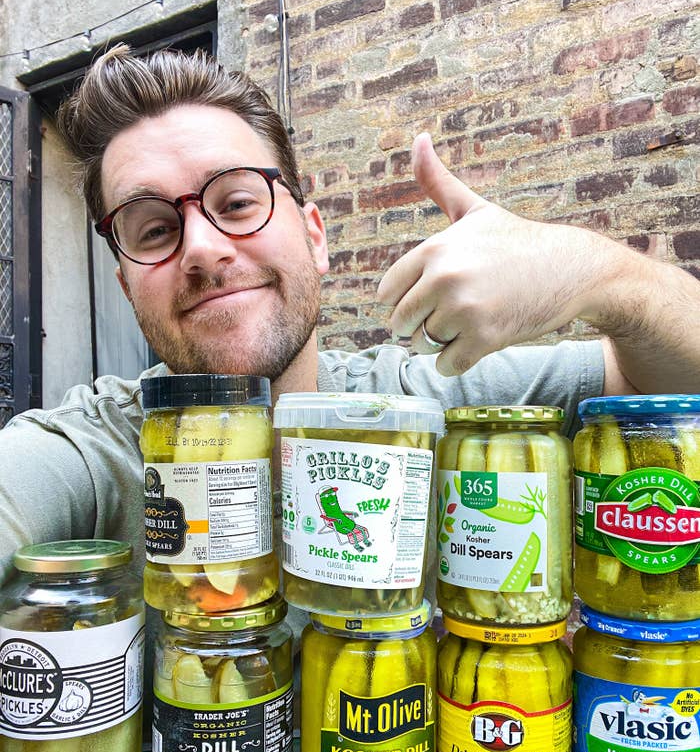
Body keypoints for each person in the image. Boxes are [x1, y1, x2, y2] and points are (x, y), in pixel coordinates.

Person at [0, 43, 698, 591]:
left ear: (315, 235)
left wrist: (601, 275)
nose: (204, 250)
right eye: (153, 229)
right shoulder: (90, 453)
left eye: (238, 203)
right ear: (127, 284)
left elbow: (673, 379)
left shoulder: (435, 405)